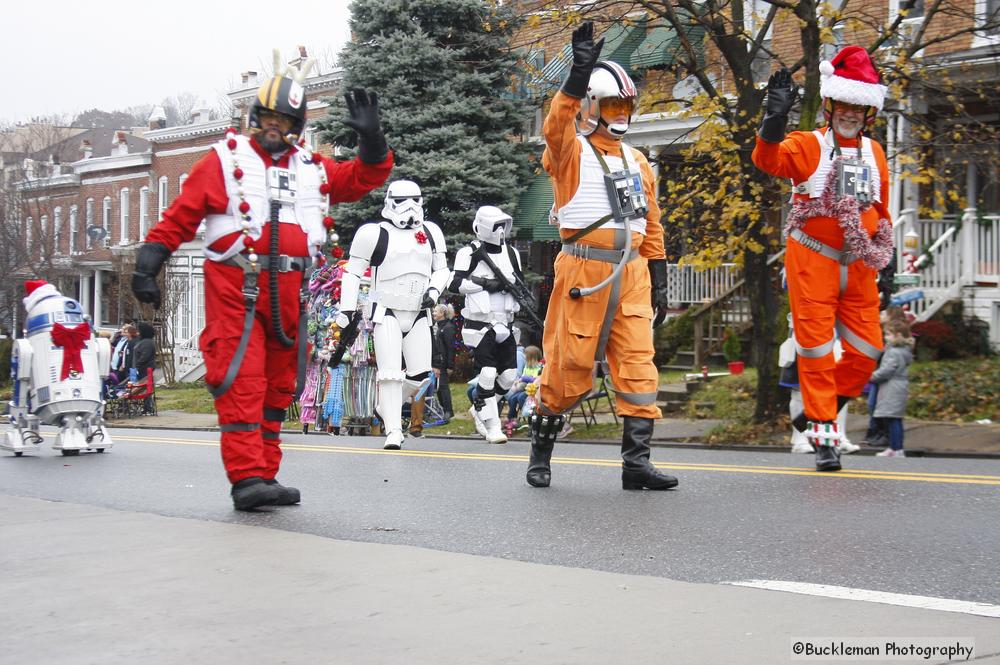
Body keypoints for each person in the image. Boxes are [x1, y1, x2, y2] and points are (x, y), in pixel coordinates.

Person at [130, 50, 393, 510]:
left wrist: (372, 140)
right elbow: (179, 216)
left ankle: (265, 473)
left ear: (296, 126)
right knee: (243, 379)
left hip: (291, 291)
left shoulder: (311, 168)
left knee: (278, 384)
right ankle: (246, 476)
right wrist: (148, 264)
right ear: (255, 118)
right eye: (268, 118)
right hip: (237, 288)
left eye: (284, 121)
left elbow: (361, 178)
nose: (275, 128)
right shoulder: (222, 161)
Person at [527, 22, 678, 490]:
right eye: (612, 104)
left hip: (630, 272)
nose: (621, 114)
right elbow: (555, 127)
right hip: (583, 268)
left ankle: (637, 465)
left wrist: (659, 274)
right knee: (566, 367)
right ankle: (541, 454)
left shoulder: (638, 161)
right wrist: (576, 76)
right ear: (591, 106)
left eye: (627, 105)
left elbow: (650, 223)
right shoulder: (569, 153)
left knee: (639, 364)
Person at [752, 45, 895, 472]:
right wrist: (774, 120)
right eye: (844, 106)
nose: (850, 114)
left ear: (869, 113)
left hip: (861, 263)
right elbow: (768, 159)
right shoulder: (809, 145)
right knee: (814, 350)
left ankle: (817, 411)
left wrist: (885, 260)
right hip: (813, 259)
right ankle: (825, 436)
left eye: (859, 107)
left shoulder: (875, 153)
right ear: (831, 106)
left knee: (869, 350)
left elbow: (882, 208)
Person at [336, 180, 449, 451]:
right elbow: (352, 271)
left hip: (420, 311)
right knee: (389, 374)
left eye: (414, 200)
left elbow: (442, 269)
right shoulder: (374, 233)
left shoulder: (431, 232)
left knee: (421, 377)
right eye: (401, 200)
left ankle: (385, 405)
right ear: (390, 202)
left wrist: (433, 291)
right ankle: (394, 430)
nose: (409, 207)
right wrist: (346, 310)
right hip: (387, 310)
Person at [450, 205, 526, 445]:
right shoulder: (469, 253)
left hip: (506, 322)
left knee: (508, 377)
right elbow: (454, 283)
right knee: (488, 371)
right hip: (481, 323)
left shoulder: (512, 254)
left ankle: (480, 405)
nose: (501, 231)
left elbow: (520, 283)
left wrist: (509, 286)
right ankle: (493, 426)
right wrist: (485, 283)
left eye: (503, 225)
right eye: (496, 226)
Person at [779, 314, 858, 454]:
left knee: (840, 388)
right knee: (799, 392)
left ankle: (839, 436)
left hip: (837, 331)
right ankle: (800, 439)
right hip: (805, 329)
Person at [871, 319, 914, 457]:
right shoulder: (904, 351)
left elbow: (887, 370)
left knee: (892, 418)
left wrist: (871, 376)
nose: (886, 337)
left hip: (892, 387)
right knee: (894, 418)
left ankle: (896, 448)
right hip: (898, 386)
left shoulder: (893, 352)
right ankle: (895, 447)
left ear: (898, 335)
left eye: (889, 334)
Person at [505, 345, 542, 434]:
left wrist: (525, 378)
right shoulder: (527, 367)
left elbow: (536, 379)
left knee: (521, 397)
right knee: (512, 398)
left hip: (535, 390)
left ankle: (531, 422)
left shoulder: (540, 367)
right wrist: (519, 381)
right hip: (526, 388)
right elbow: (523, 376)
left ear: (531, 358)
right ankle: (512, 419)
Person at [433, 303, 457, 421]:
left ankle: (448, 411)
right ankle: (443, 409)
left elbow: (450, 348)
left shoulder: (448, 327)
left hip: (443, 362)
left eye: (435, 311)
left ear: (442, 313)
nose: (433, 313)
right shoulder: (437, 326)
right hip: (436, 361)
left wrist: (450, 365)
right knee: (438, 387)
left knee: (443, 386)